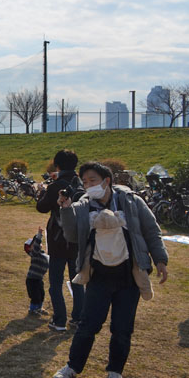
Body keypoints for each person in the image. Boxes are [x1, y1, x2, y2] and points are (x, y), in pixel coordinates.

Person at [52, 162, 168, 378]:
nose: (88, 186)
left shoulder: (132, 201)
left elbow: (151, 231)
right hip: (99, 276)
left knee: (122, 328)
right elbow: (71, 235)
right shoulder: (83, 205)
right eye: (85, 182)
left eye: (93, 181)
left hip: (129, 277)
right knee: (88, 325)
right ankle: (72, 367)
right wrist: (66, 208)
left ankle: (115, 371)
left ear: (107, 181)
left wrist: (160, 259)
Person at [36, 149, 85, 331]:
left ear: (57, 165)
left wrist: (41, 192)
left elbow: (42, 207)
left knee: (55, 282)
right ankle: (78, 318)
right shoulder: (82, 184)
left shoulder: (57, 186)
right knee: (77, 280)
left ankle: (59, 320)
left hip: (58, 238)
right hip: (78, 238)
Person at [25, 227, 49, 316]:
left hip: (39, 279)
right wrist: (39, 235)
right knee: (35, 296)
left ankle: (39, 308)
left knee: (41, 294)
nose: (38, 245)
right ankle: (32, 309)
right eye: (34, 244)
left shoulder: (42, 255)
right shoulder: (35, 254)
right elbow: (36, 246)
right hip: (32, 280)